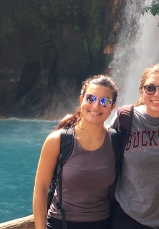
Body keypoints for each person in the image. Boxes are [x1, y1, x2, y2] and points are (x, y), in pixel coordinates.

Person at [33, 75, 119, 229]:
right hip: (61, 223)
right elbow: (41, 188)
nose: (96, 106)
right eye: (90, 98)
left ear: (112, 107)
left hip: (103, 224)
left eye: (105, 101)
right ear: (81, 101)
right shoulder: (57, 141)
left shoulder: (115, 141)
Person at [110, 63, 159, 229]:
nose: (157, 94)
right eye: (150, 88)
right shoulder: (125, 118)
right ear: (141, 91)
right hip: (128, 216)